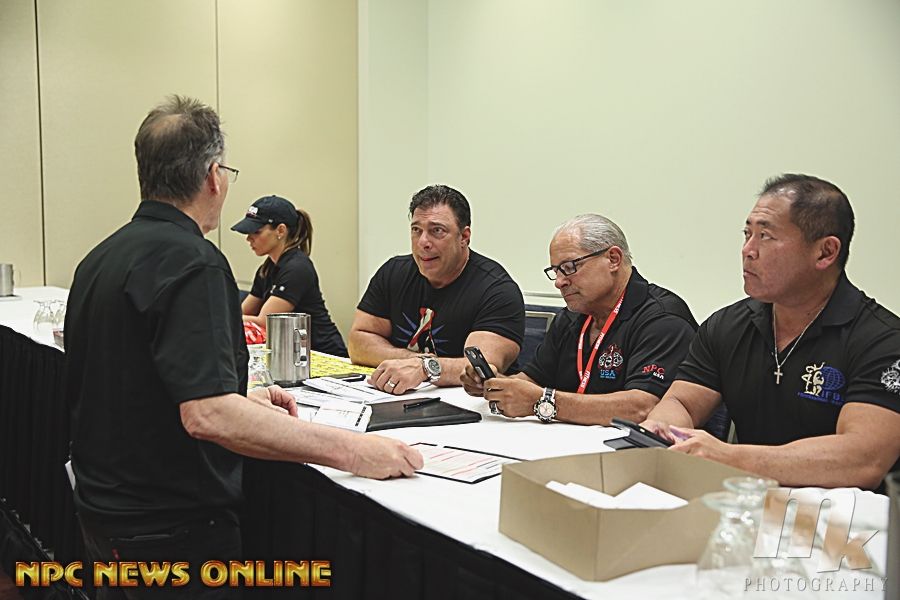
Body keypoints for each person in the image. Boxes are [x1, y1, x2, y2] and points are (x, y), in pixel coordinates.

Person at [65, 96, 422, 599]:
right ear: (214, 176)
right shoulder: (195, 262)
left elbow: (135, 379)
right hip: (168, 530)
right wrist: (354, 451)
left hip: (102, 512)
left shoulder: (100, 258)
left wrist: (240, 395)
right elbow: (207, 416)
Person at [642, 174, 900, 490]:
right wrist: (663, 428)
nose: (748, 250)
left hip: (845, 514)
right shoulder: (727, 325)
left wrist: (728, 457)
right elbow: (681, 402)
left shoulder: (883, 340)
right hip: (749, 501)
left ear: (825, 252)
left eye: (765, 236)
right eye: (747, 234)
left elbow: (862, 460)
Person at [460, 214, 698, 424]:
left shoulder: (662, 319)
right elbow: (531, 381)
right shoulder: (572, 316)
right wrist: (497, 385)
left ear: (613, 259)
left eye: (569, 267)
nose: (559, 282)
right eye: (555, 271)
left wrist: (545, 402)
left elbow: (643, 407)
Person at [349, 184, 525, 394]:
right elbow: (358, 342)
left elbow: (480, 369)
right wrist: (412, 360)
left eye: (437, 231)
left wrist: (425, 368)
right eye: (416, 230)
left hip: (470, 404)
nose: (423, 242)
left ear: (464, 237)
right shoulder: (393, 272)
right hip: (399, 395)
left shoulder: (497, 290)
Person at [231, 194, 347, 356]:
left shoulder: (297, 268)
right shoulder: (267, 269)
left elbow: (266, 322)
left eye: (256, 232)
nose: (249, 238)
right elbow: (244, 313)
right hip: (292, 353)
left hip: (321, 354)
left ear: (281, 230)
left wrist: (223, 319)